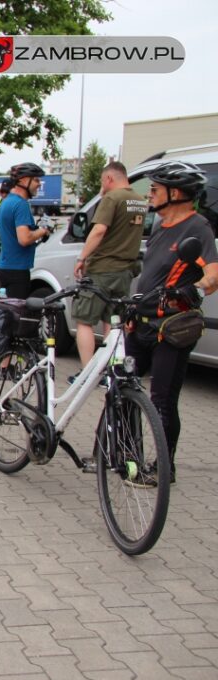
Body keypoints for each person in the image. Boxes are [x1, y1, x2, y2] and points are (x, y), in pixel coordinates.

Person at [125, 161, 218, 484]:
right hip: (142, 322)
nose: (149, 194)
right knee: (125, 390)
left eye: (154, 189)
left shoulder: (198, 227)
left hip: (172, 328)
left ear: (174, 193)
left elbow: (213, 275)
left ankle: (165, 468)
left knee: (162, 400)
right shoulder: (160, 226)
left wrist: (194, 289)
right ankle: (128, 456)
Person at [71, 162, 149, 373]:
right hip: (125, 271)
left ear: (109, 179)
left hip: (102, 269)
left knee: (84, 320)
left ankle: (87, 373)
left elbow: (98, 231)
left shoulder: (112, 198)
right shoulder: (140, 201)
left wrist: (82, 258)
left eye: (102, 181)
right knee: (113, 322)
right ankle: (110, 371)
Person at [0, 163, 50, 298]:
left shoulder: (5, 202)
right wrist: (42, 231)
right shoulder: (21, 204)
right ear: (24, 180)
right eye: (36, 180)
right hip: (17, 270)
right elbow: (24, 239)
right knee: (16, 315)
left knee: (6, 312)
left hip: (4, 267)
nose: (39, 184)